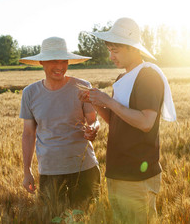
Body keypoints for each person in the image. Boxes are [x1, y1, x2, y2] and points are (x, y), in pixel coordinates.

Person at [78, 17, 176, 223]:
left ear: (133, 48)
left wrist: (108, 101)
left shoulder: (148, 76)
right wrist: (95, 102)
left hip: (138, 175)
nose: (111, 56)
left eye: (115, 50)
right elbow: (116, 121)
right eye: (110, 50)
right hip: (117, 171)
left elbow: (145, 122)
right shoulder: (122, 79)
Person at [19, 37, 100, 207]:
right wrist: (27, 171)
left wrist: (92, 129)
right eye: (54, 60)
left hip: (84, 169)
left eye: (64, 61)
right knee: (54, 217)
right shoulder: (30, 93)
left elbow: (93, 120)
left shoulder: (82, 86)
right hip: (50, 172)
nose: (60, 66)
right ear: (41, 62)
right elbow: (28, 134)